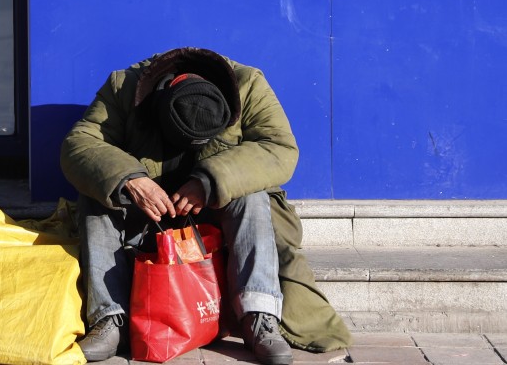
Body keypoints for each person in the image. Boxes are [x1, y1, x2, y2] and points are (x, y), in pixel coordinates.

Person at [61, 47, 351, 364]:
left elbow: (280, 148)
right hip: (147, 218)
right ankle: (111, 319)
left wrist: (211, 181)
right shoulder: (123, 86)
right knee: (99, 193)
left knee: (252, 195)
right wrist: (130, 180)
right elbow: (81, 142)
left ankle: (259, 316)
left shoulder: (249, 84)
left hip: (215, 220)